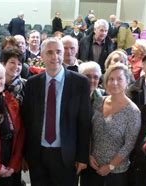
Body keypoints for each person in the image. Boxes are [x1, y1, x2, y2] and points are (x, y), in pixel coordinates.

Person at [22, 37, 91, 185]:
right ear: (42, 56)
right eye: (50, 52)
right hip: (38, 154)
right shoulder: (32, 84)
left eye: (59, 52)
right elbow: (26, 121)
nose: (55, 56)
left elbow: (84, 123)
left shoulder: (80, 83)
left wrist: (82, 156)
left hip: (67, 155)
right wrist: (24, 155)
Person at [81, 63, 140, 186]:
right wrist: (89, 154)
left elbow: (129, 144)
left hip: (115, 173)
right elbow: (89, 131)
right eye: (111, 79)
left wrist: (110, 166)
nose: (114, 83)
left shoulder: (133, 111)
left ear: (127, 81)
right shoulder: (99, 101)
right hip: (92, 165)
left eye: (119, 79)